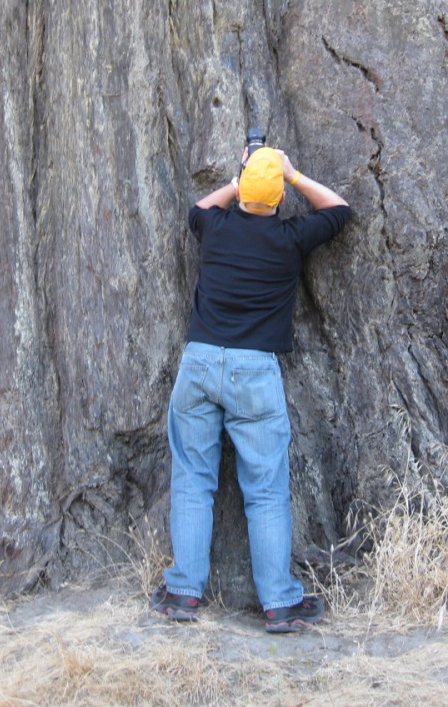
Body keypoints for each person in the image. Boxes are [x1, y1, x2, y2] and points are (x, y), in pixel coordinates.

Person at [150, 143, 351, 633]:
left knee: (193, 479)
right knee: (264, 491)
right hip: (255, 373)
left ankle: (183, 592)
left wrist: (241, 179)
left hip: (199, 364)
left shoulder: (213, 228)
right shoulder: (291, 238)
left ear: (240, 193)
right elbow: (340, 209)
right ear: (280, 200)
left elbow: (198, 208)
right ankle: (279, 603)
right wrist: (291, 172)